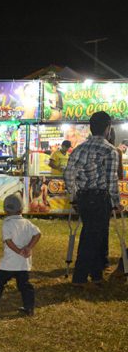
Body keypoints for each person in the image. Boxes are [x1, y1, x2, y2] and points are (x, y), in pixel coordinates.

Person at [64, 111, 120, 288]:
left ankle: (96, 275)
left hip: (83, 197)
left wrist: (74, 194)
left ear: (90, 127)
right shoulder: (109, 150)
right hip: (100, 197)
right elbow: (111, 180)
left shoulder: (79, 148)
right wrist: (116, 202)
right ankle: (79, 278)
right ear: (108, 128)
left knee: (94, 234)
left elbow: (68, 173)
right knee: (92, 237)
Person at [0, 194, 40, 316]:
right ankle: (29, 307)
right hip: (23, 263)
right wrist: (29, 247)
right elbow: (38, 234)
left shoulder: (7, 224)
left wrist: (18, 251)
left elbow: (8, 241)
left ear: (6, 210)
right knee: (24, 285)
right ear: (21, 208)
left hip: (9, 263)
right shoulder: (27, 223)